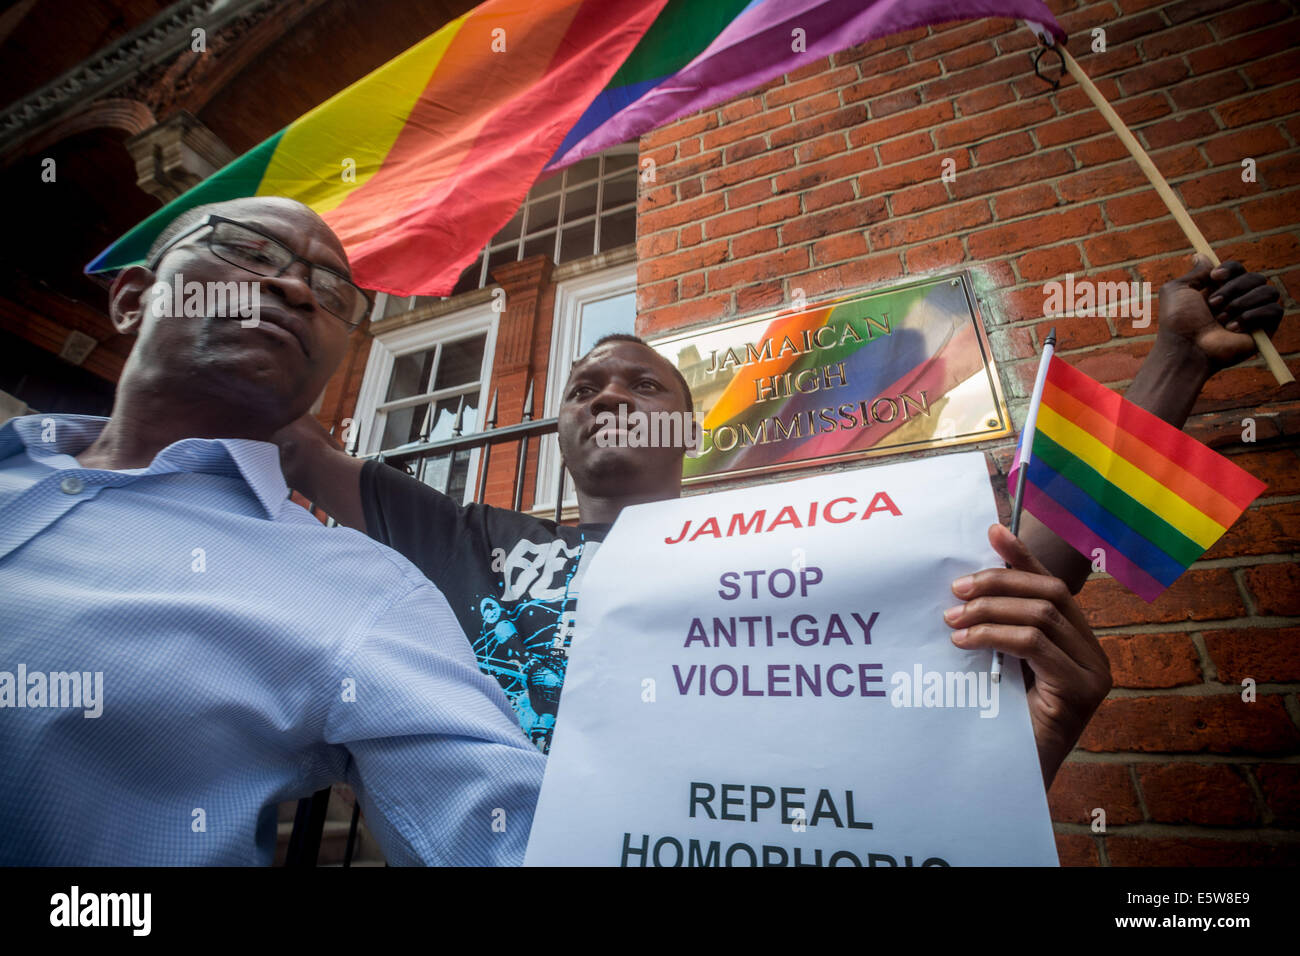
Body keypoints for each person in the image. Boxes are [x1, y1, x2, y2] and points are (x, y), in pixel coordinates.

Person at [277, 257, 1282, 787]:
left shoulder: (785, 544)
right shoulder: (479, 544)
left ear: (686, 423)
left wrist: (1179, 360)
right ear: (562, 425)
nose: (605, 390)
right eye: (584, 381)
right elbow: (298, 446)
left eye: (640, 378)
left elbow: (1026, 563)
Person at [0, 196, 545, 866]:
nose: (293, 288)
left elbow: (507, 831)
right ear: (133, 299)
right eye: (248, 251)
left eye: (329, 289)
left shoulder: (364, 591)